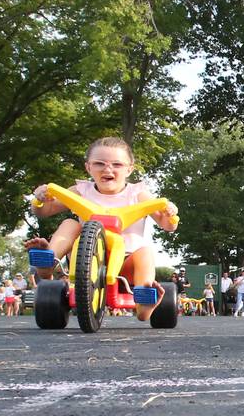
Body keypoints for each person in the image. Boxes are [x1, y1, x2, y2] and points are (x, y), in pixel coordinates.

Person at [24, 136, 179, 321]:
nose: (108, 169)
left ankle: (144, 301)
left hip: (126, 261)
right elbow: (44, 211)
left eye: (117, 164)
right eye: (99, 164)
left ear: (129, 169)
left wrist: (170, 213)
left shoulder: (138, 194)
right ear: (88, 167)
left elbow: (168, 225)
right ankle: (49, 259)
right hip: (86, 258)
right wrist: (40, 199)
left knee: (145, 252)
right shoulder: (81, 191)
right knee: (70, 223)